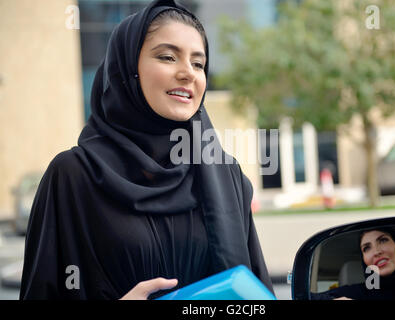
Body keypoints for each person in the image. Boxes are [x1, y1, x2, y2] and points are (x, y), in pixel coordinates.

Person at [19, 0, 273, 300]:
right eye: (167, 57)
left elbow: (256, 296)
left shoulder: (227, 176)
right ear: (127, 69)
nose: (188, 73)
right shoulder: (73, 177)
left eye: (198, 63)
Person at [311, 228, 395, 300]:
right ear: (364, 260)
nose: (376, 252)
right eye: (366, 248)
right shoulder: (357, 294)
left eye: (383, 240)